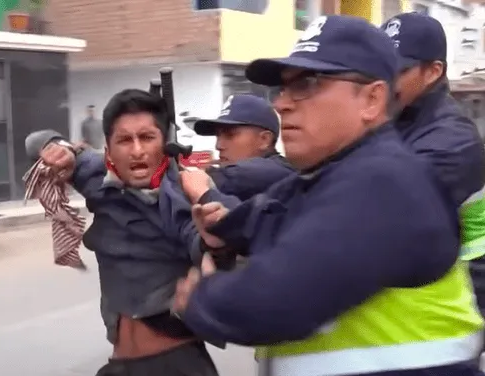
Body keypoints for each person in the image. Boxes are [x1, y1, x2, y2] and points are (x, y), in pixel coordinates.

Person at [171, 15, 484, 376]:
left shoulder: (385, 179)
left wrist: (201, 298)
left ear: (371, 99)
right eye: (282, 89)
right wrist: (224, 226)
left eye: (308, 84)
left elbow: (276, 298)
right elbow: (270, 211)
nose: (283, 104)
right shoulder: (334, 171)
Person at [25, 90, 219, 376]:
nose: (137, 150)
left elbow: (202, 239)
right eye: (125, 140)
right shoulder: (97, 175)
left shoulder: (181, 195)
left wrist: (211, 245)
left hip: (177, 364)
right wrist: (59, 148)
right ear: (108, 148)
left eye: (147, 137)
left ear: (166, 143)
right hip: (119, 365)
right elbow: (35, 141)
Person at [381, 12, 485, 322]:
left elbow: (379, 211)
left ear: (432, 72)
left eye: (397, 70)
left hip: (465, 294)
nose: (383, 82)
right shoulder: (394, 121)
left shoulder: (451, 139)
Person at [182, 93, 293, 203]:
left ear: (264, 140)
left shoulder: (279, 171)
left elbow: (234, 177)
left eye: (230, 135)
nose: (218, 146)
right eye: (218, 136)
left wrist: (195, 176)